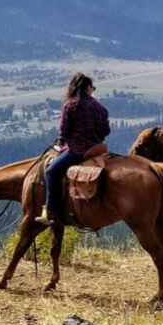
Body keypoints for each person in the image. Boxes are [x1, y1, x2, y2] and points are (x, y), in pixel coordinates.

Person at [37, 72, 110, 225]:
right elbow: (106, 131)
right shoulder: (100, 108)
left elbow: (64, 129)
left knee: (51, 172)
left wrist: (61, 140)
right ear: (88, 88)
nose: (92, 90)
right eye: (92, 88)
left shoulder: (70, 106)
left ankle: (51, 211)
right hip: (97, 149)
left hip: (77, 151)